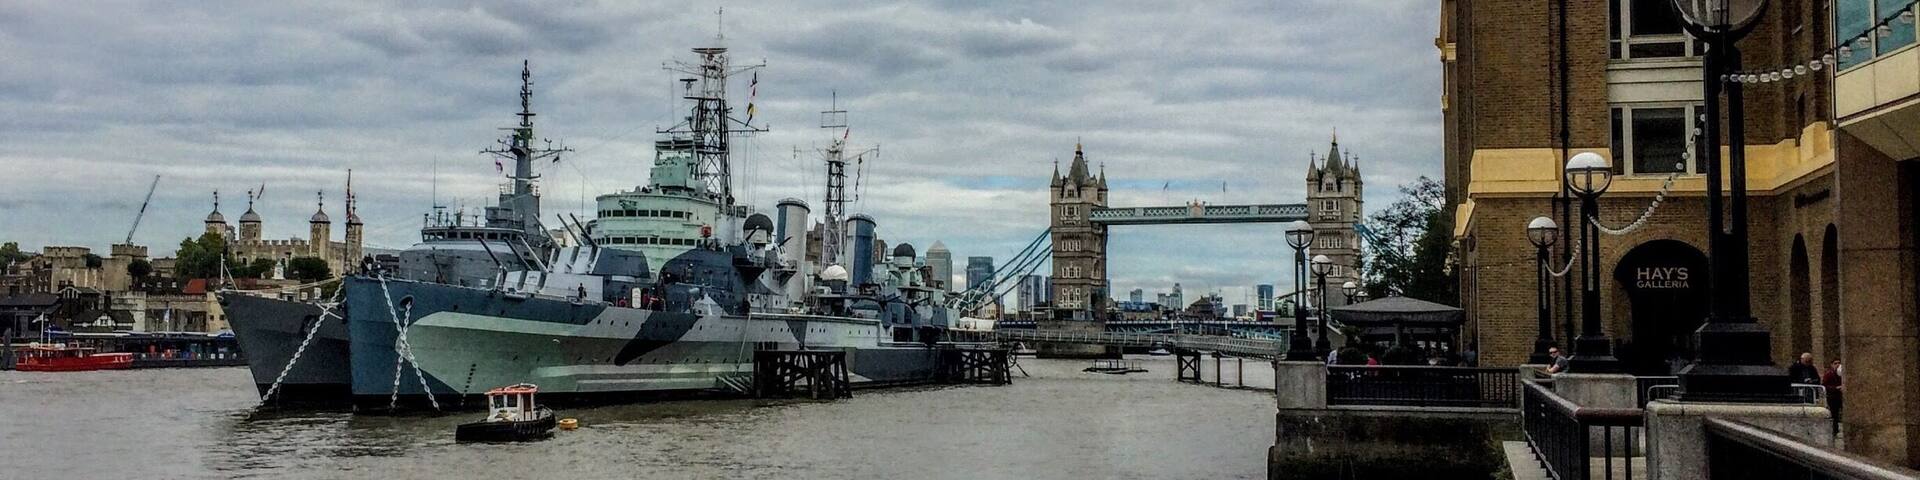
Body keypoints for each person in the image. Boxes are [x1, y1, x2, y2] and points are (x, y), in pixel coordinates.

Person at [1823, 359, 1844, 434]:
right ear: (1832, 365)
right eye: (1835, 363)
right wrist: (1835, 388)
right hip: (1833, 397)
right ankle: (1835, 430)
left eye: (1839, 363)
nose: (1837, 365)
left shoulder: (1841, 374)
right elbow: (1825, 385)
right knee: (1834, 414)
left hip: (1840, 396)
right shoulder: (1829, 374)